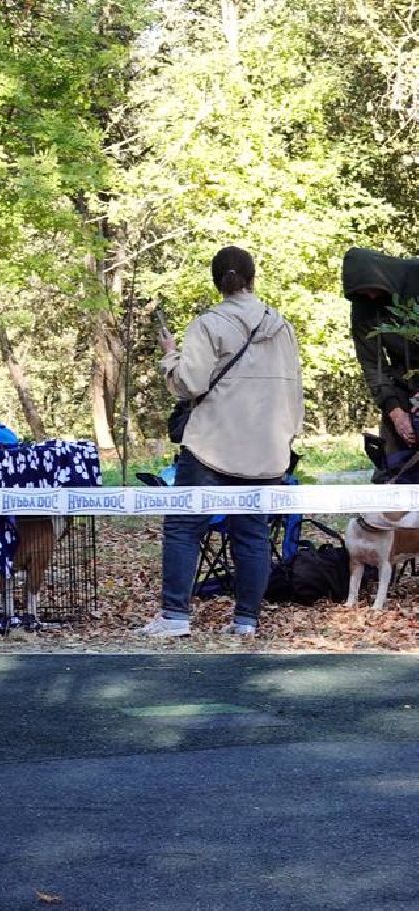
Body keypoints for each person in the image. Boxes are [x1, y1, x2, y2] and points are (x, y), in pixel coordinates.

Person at [140, 246, 303, 638]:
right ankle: (246, 620)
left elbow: (188, 384)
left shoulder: (208, 324)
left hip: (211, 448)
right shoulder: (281, 326)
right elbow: (294, 390)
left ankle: (175, 617)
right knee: (252, 533)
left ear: (217, 283)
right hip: (266, 450)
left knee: (183, 527)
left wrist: (169, 357)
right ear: (253, 278)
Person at [342, 248, 419, 479]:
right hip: (400, 387)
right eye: (364, 295)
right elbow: (372, 363)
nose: (372, 298)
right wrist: (395, 411)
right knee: (394, 470)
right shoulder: (363, 302)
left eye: (374, 291)